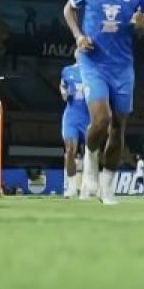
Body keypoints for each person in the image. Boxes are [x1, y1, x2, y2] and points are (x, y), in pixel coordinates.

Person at [63, 0, 144, 205]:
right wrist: (78, 36)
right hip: (93, 61)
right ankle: (90, 161)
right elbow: (69, 9)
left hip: (122, 65)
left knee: (118, 126)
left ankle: (107, 188)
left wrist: (140, 25)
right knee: (101, 119)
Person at [59, 61, 90, 198]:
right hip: (72, 117)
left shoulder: (95, 70)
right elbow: (62, 86)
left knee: (91, 153)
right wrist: (64, 92)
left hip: (89, 117)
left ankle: (86, 187)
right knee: (70, 150)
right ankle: (71, 187)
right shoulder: (67, 70)